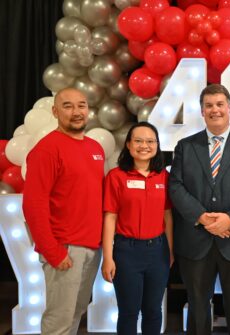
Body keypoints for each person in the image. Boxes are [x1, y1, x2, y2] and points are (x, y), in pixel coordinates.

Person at [169, 83, 230, 335]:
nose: (215, 110)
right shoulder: (186, 146)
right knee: (198, 307)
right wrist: (202, 217)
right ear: (201, 111)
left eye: (219, 104)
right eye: (209, 106)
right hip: (195, 241)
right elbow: (176, 187)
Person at [22, 88, 104, 335]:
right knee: (59, 321)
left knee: (75, 314)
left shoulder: (94, 148)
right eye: (68, 106)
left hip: (92, 247)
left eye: (82, 105)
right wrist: (53, 251)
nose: (76, 112)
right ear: (55, 112)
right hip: (65, 249)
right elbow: (33, 205)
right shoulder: (46, 150)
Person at [101, 122, 174, 334]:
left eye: (150, 141)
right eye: (139, 141)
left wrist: (170, 250)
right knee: (128, 311)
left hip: (158, 251)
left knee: (153, 310)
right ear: (128, 144)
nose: (145, 145)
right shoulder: (116, 176)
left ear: (157, 146)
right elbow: (110, 218)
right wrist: (108, 257)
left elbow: (168, 216)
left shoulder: (163, 177)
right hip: (126, 252)